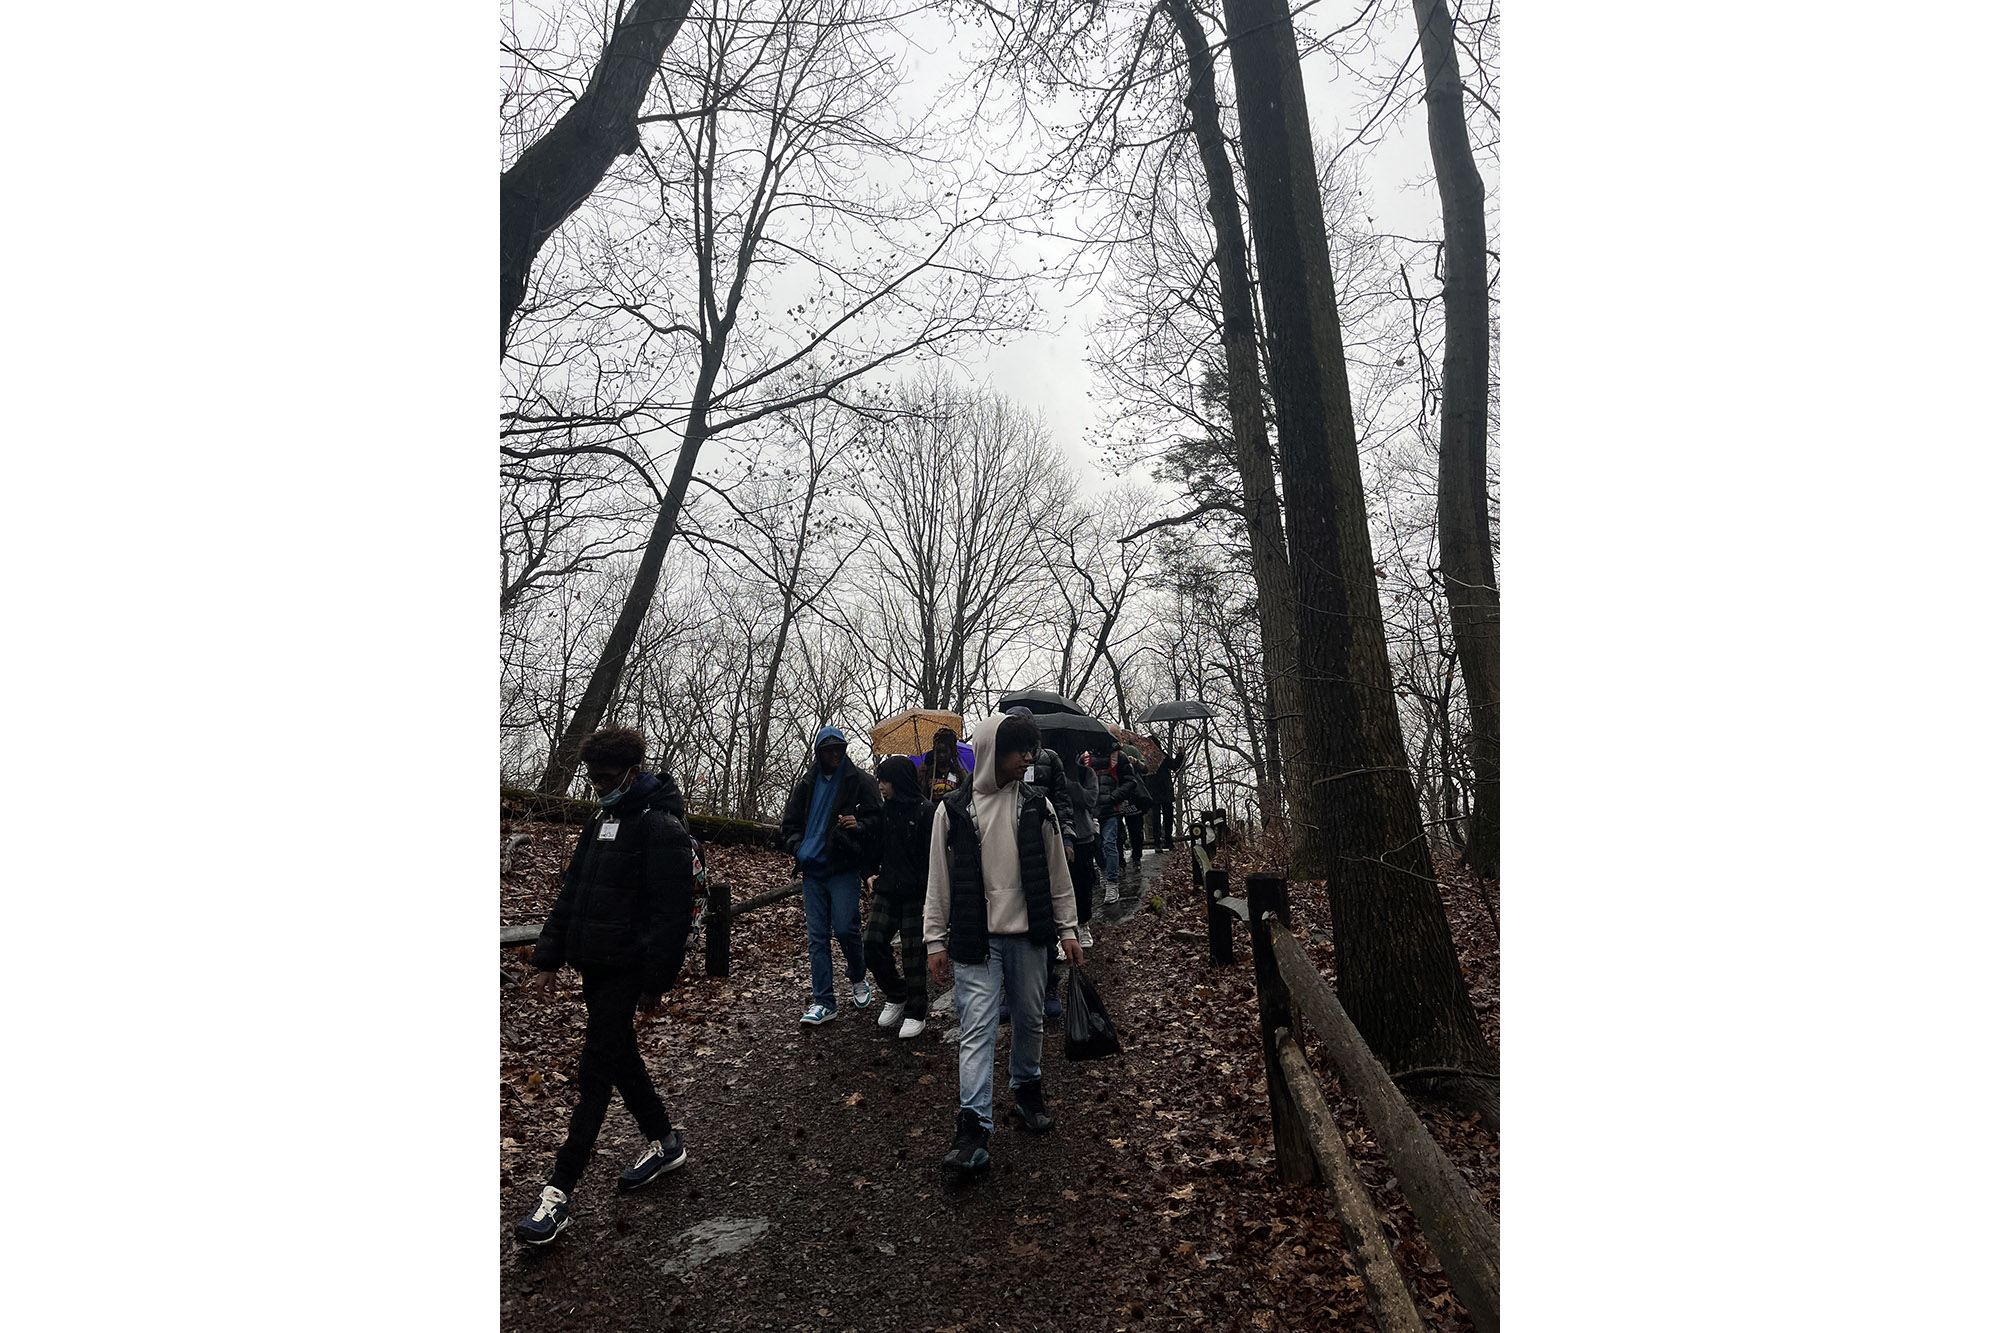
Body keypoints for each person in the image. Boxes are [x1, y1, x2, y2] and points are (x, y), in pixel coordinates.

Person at [514, 726, 697, 1246]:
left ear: (633, 771)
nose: (597, 786)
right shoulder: (601, 820)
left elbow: (672, 915)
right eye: (592, 778)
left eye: (607, 778)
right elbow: (574, 890)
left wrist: (656, 983)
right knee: (620, 1059)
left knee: (596, 1070)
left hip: (628, 969)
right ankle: (666, 1143)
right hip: (593, 964)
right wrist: (548, 957)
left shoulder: (662, 827)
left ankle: (557, 1194)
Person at [924, 713, 1083, 1184]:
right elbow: (938, 880)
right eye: (1019, 750)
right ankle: (973, 1128)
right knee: (977, 1026)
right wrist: (935, 939)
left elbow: (1058, 872)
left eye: (1030, 749)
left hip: (1030, 932)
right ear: (995, 751)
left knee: (1031, 1016)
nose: (1028, 758)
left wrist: (1068, 928)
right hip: (977, 935)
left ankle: (1026, 1088)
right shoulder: (951, 810)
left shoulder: (1038, 805)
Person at [778, 726, 884, 1025]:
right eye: (829, 750)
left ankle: (857, 975)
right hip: (812, 869)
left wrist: (859, 824)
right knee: (817, 938)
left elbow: (878, 819)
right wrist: (799, 849)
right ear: (819, 753)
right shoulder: (807, 784)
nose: (835, 754)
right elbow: (789, 826)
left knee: (846, 928)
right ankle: (824, 1001)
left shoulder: (859, 781)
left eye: (840, 748)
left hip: (843, 867)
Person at [862, 755, 932, 1039]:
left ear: (900, 781)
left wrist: (932, 897)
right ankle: (896, 993)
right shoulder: (883, 812)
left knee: (914, 956)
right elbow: (871, 849)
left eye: (885, 781)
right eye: (879, 780)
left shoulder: (926, 811)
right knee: (872, 942)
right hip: (888, 890)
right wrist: (867, 873)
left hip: (917, 894)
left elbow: (933, 857)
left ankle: (917, 1011)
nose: (881, 786)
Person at [1096, 748, 1146, 901]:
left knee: (1110, 843)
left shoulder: (1120, 756)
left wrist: (1113, 797)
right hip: (1092, 810)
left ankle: (1113, 881)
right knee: (1096, 846)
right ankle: (1105, 871)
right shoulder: (1085, 758)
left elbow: (1131, 780)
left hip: (1113, 809)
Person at [1067, 751, 1102, 948]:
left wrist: (1069, 784)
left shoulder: (1086, 773)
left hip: (1083, 836)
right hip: (1055, 836)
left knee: (1083, 883)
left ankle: (1083, 924)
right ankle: (1061, 932)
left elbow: (1090, 800)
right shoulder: (1047, 769)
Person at [1143, 734, 1186, 853]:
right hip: (1158, 791)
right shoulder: (1149, 758)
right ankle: (1162, 842)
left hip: (1161, 791)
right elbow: (1174, 766)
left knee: (1165, 817)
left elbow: (1174, 766)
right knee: (1158, 818)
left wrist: (1180, 755)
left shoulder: (1158, 757)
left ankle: (1165, 841)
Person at [916, 727, 968, 803]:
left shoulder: (957, 772)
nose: (941, 755)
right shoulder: (928, 772)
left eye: (944, 752)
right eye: (939, 752)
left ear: (951, 752)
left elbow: (965, 791)